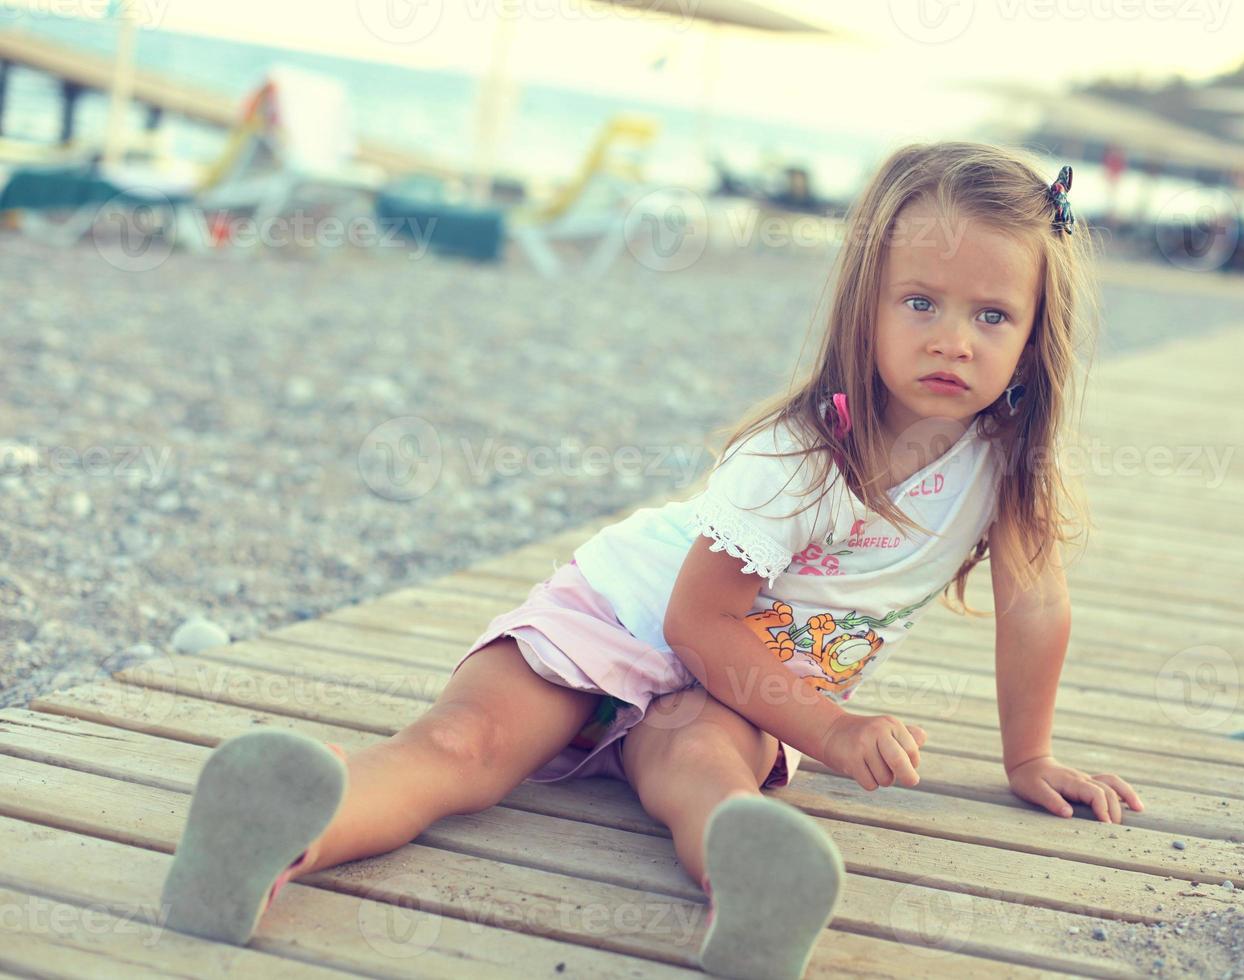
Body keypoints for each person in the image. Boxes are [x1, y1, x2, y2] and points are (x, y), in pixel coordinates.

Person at [158, 141, 1145, 979]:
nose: (953, 340)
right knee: (462, 748)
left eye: (990, 316)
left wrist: (1029, 755)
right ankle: (282, 831)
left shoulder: (1007, 466)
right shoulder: (804, 453)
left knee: (699, 756)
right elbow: (695, 620)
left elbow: (1035, 605)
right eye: (921, 302)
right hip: (632, 613)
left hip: (746, 684)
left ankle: (750, 890)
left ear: (1031, 332)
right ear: (866, 305)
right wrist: (835, 727)